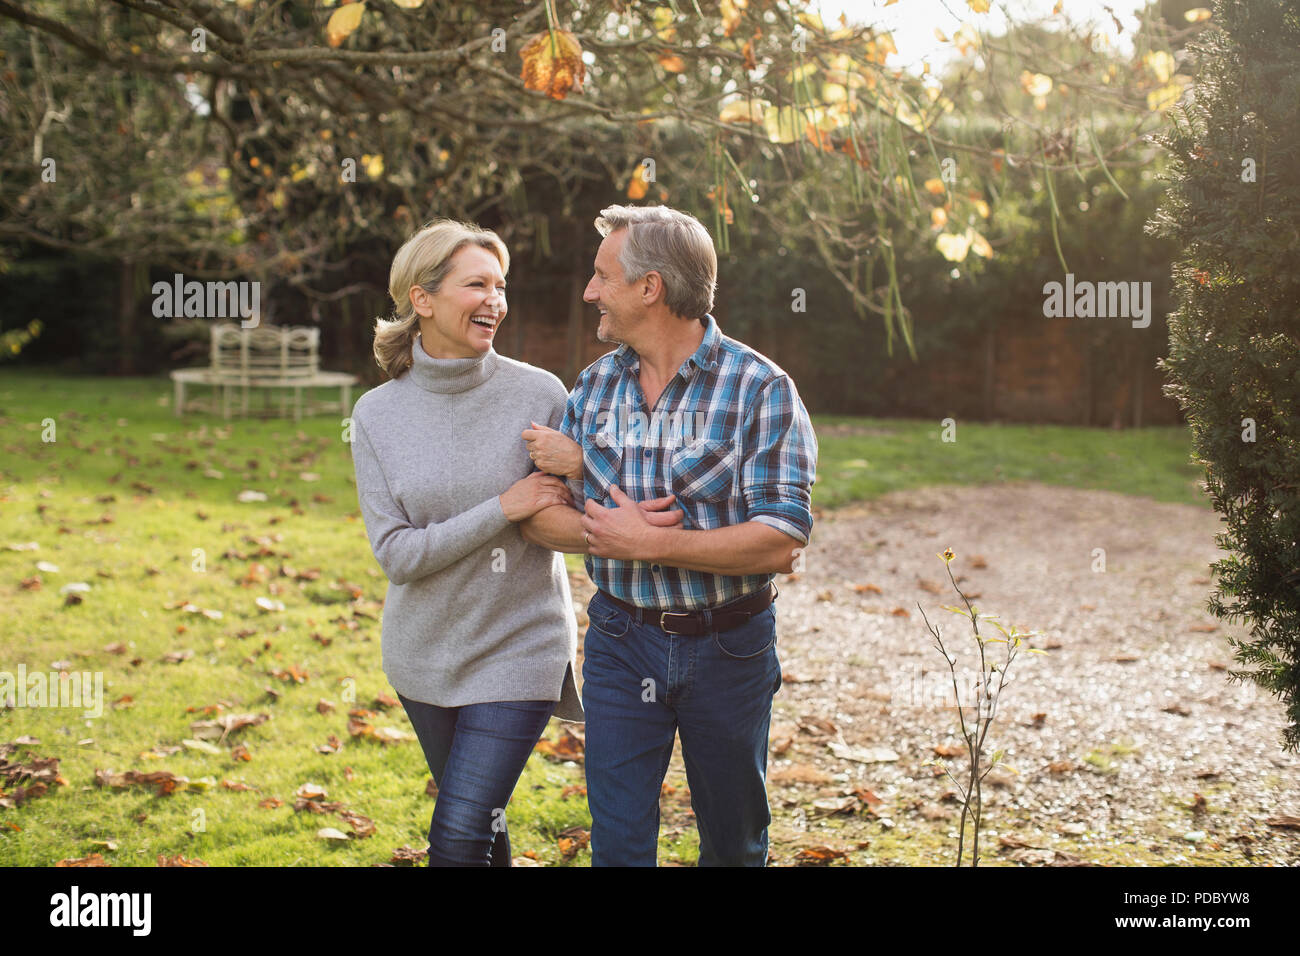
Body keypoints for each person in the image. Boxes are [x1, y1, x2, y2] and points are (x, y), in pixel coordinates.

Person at [348, 219, 682, 867]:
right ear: (423, 299)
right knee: (482, 830)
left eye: (501, 286)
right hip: (422, 656)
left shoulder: (538, 394)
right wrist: (504, 506)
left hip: (519, 648)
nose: (496, 300)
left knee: (457, 839)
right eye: (478, 284)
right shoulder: (376, 415)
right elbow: (398, 555)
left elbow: (573, 513)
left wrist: (587, 478)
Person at [519, 204, 819, 866]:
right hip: (622, 644)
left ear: (649, 287)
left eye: (603, 276)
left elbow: (780, 538)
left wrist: (650, 541)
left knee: (734, 843)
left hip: (730, 647)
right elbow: (541, 512)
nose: (590, 291)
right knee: (619, 843)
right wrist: (611, 532)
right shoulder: (594, 388)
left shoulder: (759, 389)